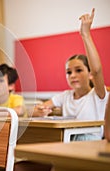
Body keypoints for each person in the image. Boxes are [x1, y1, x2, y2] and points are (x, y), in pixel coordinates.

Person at [31, 8, 109, 140]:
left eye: (78, 70)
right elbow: (39, 108)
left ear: (90, 74)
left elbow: (97, 71)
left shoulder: (98, 95)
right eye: (68, 72)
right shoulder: (65, 96)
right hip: (67, 140)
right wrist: (39, 111)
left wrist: (85, 34)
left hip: (90, 143)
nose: (72, 75)